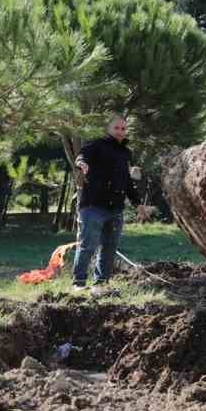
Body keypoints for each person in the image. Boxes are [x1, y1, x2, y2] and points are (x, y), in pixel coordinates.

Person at [71, 114, 142, 288]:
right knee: (88, 245)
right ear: (108, 129)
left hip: (116, 209)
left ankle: (102, 283)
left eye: (123, 128)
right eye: (116, 128)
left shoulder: (126, 153)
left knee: (109, 248)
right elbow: (81, 156)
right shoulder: (96, 144)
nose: (120, 131)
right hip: (93, 206)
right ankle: (79, 283)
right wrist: (81, 164)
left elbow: (127, 182)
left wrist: (138, 203)